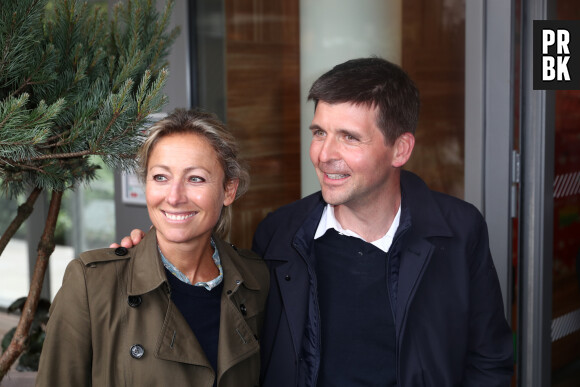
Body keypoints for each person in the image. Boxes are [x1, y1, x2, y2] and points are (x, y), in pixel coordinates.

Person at [114, 57, 514, 386]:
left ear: (400, 149)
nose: (324, 154)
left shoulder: (458, 231)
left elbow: (488, 361)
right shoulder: (279, 235)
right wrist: (155, 253)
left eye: (349, 137)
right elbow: (215, 310)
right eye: (319, 132)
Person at [37, 109, 269, 387]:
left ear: (228, 190)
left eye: (195, 178)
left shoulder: (255, 279)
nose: (174, 197)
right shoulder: (92, 283)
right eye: (160, 177)